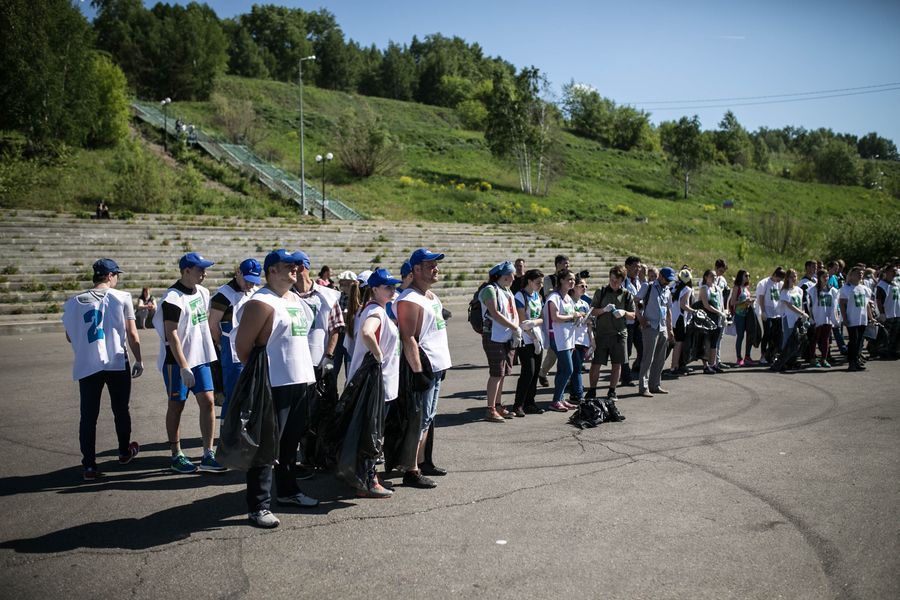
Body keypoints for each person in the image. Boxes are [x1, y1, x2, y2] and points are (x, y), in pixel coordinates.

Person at [235, 250, 320, 528]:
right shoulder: (261, 301)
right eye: (288, 266)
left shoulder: (293, 297)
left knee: (290, 443)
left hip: (299, 380)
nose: (295, 270)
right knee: (265, 446)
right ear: (271, 270)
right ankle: (258, 505)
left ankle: (288, 491)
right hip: (274, 384)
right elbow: (243, 348)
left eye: (297, 266)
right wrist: (264, 379)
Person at [62, 259, 143, 480]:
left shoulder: (73, 302)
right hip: (116, 361)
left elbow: (70, 336)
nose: (117, 278)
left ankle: (89, 465)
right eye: (116, 275)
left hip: (88, 363)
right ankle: (124, 451)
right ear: (109, 276)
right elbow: (133, 334)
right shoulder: (122, 297)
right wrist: (139, 359)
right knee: (120, 409)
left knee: (88, 416)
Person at [152, 252, 225, 474]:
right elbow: (171, 334)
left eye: (204, 269)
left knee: (209, 401)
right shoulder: (172, 298)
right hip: (177, 362)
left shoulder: (203, 292)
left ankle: (207, 453)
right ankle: (176, 455)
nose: (204, 273)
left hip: (201, 358)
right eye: (200, 269)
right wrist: (184, 366)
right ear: (186, 271)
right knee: (177, 405)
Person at [345, 268, 404, 498]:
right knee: (372, 434)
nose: (392, 290)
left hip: (380, 384)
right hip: (376, 384)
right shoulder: (375, 312)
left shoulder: (376, 309)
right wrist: (379, 356)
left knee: (370, 433)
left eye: (393, 286)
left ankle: (364, 479)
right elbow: (367, 333)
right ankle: (368, 481)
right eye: (388, 287)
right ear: (375, 289)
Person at [396, 248, 452, 488]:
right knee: (418, 419)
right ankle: (411, 469)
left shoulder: (430, 296)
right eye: (430, 265)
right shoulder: (409, 299)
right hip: (424, 367)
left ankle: (422, 461)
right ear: (416, 269)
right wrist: (418, 372)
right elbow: (409, 337)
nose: (436, 269)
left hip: (437, 366)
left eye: (436, 265)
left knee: (428, 417)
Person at [208, 258, 261, 417]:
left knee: (251, 394)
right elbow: (212, 325)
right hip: (231, 351)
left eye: (253, 281)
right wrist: (223, 344)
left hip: (252, 348)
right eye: (247, 280)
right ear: (238, 273)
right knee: (233, 394)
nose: (250, 285)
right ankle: (227, 433)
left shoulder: (254, 292)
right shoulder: (223, 294)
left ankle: (244, 432)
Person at [478, 261, 521, 422]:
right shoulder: (490, 289)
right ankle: (490, 409)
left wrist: (516, 328)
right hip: (493, 336)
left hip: (506, 336)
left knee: (503, 373)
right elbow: (494, 313)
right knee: (496, 373)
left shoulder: (507, 290)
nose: (514, 277)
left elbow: (512, 312)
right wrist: (514, 327)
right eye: (512, 274)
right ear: (504, 275)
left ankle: (497, 405)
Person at [588, 266, 635, 401]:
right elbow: (592, 311)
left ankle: (612, 391)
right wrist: (604, 310)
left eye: (616, 280)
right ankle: (592, 390)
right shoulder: (601, 292)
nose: (613, 282)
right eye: (612, 279)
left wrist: (624, 313)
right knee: (596, 363)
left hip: (619, 334)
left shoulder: (626, 294)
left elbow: (633, 315)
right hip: (602, 334)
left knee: (617, 364)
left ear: (622, 280)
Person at [544, 269, 580, 412]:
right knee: (568, 370)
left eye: (573, 280)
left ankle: (560, 399)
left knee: (562, 370)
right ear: (561, 281)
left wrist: (577, 316)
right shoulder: (554, 297)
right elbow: (555, 317)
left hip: (568, 337)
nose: (572, 282)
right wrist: (573, 316)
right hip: (558, 338)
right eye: (569, 279)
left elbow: (569, 315)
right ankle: (555, 400)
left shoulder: (568, 298)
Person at [637, 267, 676, 397]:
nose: (668, 282)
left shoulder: (667, 290)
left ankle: (655, 385)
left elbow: (668, 310)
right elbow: (635, 301)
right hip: (650, 326)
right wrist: (641, 318)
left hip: (663, 327)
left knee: (660, 359)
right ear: (661, 277)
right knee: (648, 358)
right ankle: (643, 387)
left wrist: (670, 329)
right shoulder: (648, 287)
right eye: (667, 279)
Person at [512, 269, 545, 416]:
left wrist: (534, 323)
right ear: (529, 281)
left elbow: (542, 317)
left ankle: (530, 402)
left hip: (537, 336)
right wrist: (532, 335)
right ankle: (518, 404)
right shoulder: (520, 296)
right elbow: (522, 322)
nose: (540, 285)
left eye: (542, 282)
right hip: (525, 339)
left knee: (536, 371)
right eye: (538, 282)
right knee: (528, 372)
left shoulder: (537, 296)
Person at [538, 255, 571, 387]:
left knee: (565, 350)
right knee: (554, 351)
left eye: (568, 264)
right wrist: (563, 286)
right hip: (553, 316)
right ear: (557, 265)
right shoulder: (549, 279)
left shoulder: (570, 278)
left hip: (567, 317)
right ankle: (543, 372)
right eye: (564, 264)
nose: (567, 266)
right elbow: (548, 294)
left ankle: (565, 378)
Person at [839, 267, 873, 371]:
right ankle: (851, 363)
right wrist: (844, 318)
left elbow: (867, 304)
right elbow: (842, 304)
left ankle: (857, 361)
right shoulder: (846, 288)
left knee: (859, 342)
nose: (860, 275)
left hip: (862, 319)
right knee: (853, 341)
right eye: (858, 273)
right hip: (852, 318)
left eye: (862, 273)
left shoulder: (865, 288)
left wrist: (870, 317)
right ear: (851, 275)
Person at [568, 275, 593, 405]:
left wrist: (592, 340)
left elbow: (589, 325)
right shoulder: (568, 302)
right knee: (576, 368)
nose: (584, 288)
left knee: (576, 368)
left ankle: (574, 392)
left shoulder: (584, 303)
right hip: (572, 339)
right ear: (574, 288)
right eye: (581, 286)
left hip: (583, 340)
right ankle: (578, 394)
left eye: (586, 286)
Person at [777, 269, 808, 369]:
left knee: (797, 339)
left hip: (797, 319)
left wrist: (802, 315)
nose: (793, 279)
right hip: (788, 318)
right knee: (787, 339)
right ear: (787, 278)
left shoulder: (799, 290)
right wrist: (801, 313)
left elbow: (800, 305)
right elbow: (789, 305)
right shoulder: (784, 291)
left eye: (795, 276)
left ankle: (793, 360)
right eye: (791, 277)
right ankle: (783, 360)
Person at [699, 269, 727, 374]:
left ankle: (713, 364)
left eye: (715, 276)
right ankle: (706, 366)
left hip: (718, 318)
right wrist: (718, 312)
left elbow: (721, 303)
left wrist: (723, 314)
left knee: (714, 342)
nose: (714, 277)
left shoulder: (718, 288)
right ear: (706, 277)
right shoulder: (704, 288)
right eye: (711, 276)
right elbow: (706, 305)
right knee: (706, 342)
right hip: (708, 318)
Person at [621, 256, 643, 385]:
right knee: (627, 351)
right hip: (627, 321)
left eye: (639, 267)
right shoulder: (623, 282)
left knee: (642, 348)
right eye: (635, 266)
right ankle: (625, 377)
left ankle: (636, 367)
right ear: (627, 267)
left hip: (638, 321)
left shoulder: (638, 281)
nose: (637, 269)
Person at [668, 269, 694, 375]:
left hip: (671, 317)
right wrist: (694, 311)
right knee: (678, 344)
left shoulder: (673, 286)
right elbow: (684, 305)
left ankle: (672, 366)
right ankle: (674, 367)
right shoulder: (687, 289)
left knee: (670, 343)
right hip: (679, 318)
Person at [756, 267, 785, 365]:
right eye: (778, 278)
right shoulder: (765, 283)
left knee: (776, 335)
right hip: (767, 312)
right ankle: (763, 355)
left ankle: (772, 354)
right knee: (767, 334)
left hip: (777, 313)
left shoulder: (780, 284)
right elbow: (761, 297)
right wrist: (763, 311)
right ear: (775, 275)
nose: (779, 281)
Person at [810, 269, 838, 368]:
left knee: (825, 339)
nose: (826, 278)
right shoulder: (813, 290)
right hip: (817, 318)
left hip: (828, 318)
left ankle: (824, 359)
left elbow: (835, 306)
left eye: (827, 276)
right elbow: (810, 305)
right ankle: (813, 358)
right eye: (824, 276)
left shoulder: (832, 290)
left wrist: (836, 318)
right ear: (819, 278)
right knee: (815, 338)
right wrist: (811, 317)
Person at [728, 270, 755, 366]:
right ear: (741, 277)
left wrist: (750, 302)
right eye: (746, 275)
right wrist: (743, 302)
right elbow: (732, 302)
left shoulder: (746, 287)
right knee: (740, 336)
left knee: (750, 334)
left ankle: (747, 356)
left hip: (747, 313)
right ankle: (739, 357)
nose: (748, 277)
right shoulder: (737, 287)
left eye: (748, 275)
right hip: (739, 314)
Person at [875, 263, 900, 358]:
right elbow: (879, 300)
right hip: (888, 314)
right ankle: (882, 352)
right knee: (886, 335)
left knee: (896, 334)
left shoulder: (896, 283)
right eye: (893, 271)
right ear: (886, 272)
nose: (895, 273)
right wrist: (881, 313)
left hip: (897, 313)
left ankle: (894, 351)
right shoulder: (882, 285)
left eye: (895, 271)